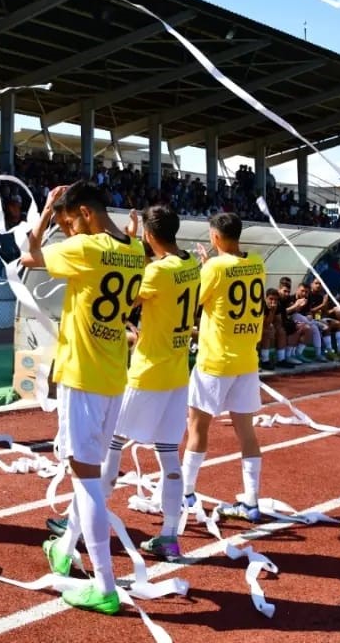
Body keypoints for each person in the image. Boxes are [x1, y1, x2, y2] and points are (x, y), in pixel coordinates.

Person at [26, 181, 145, 617]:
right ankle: (64, 546)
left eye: (69, 220)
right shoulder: (133, 250)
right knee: (90, 471)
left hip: (83, 374)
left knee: (85, 479)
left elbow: (29, 256)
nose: (67, 229)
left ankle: (104, 584)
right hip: (114, 373)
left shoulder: (88, 248)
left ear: (86, 214)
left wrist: (43, 213)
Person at [111, 205, 199, 562]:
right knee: (168, 456)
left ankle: (82, 524)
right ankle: (169, 536)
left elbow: (122, 297)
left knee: (110, 445)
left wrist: (129, 242)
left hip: (149, 371)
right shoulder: (191, 263)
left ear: (149, 235)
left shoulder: (158, 272)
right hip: (178, 374)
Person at [179, 211, 267, 524]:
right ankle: (252, 501)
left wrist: (204, 267)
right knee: (247, 433)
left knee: (197, 428)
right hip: (247, 360)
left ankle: (186, 493)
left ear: (214, 237)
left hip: (215, 361)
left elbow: (192, 302)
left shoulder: (214, 268)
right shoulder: (256, 262)